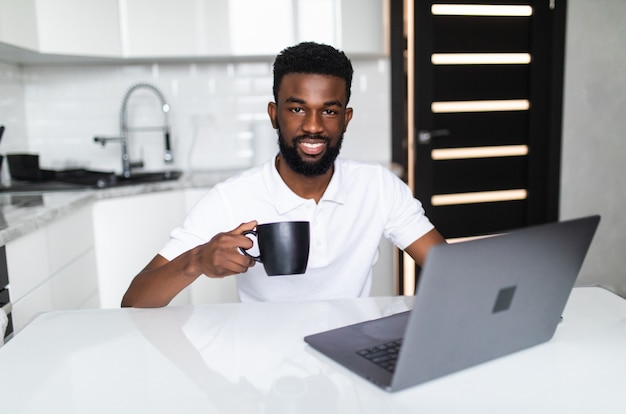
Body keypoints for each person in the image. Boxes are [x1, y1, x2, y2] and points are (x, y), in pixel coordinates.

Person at [122, 41, 446, 308]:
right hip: (263, 369)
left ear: (346, 119)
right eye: (297, 109)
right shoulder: (232, 197)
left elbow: (449, 271)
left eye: (329, 111)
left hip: (351, 358)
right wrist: (197, 261)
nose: (314, 126)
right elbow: (134, 302)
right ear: (274, 115)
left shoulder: (378, 187)